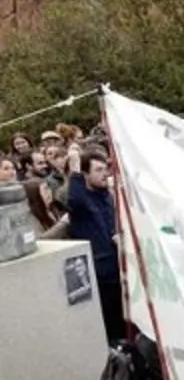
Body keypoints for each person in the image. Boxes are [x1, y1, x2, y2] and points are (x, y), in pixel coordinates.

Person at [65, 145, 124, 344]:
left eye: (104, 169)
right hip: (98, 274)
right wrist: (74, 167)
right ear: (85, 175)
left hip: (117, 269)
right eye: (98, 170)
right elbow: (73, 197)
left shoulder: (107, 196)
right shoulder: (81, 201)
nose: (104, 174)